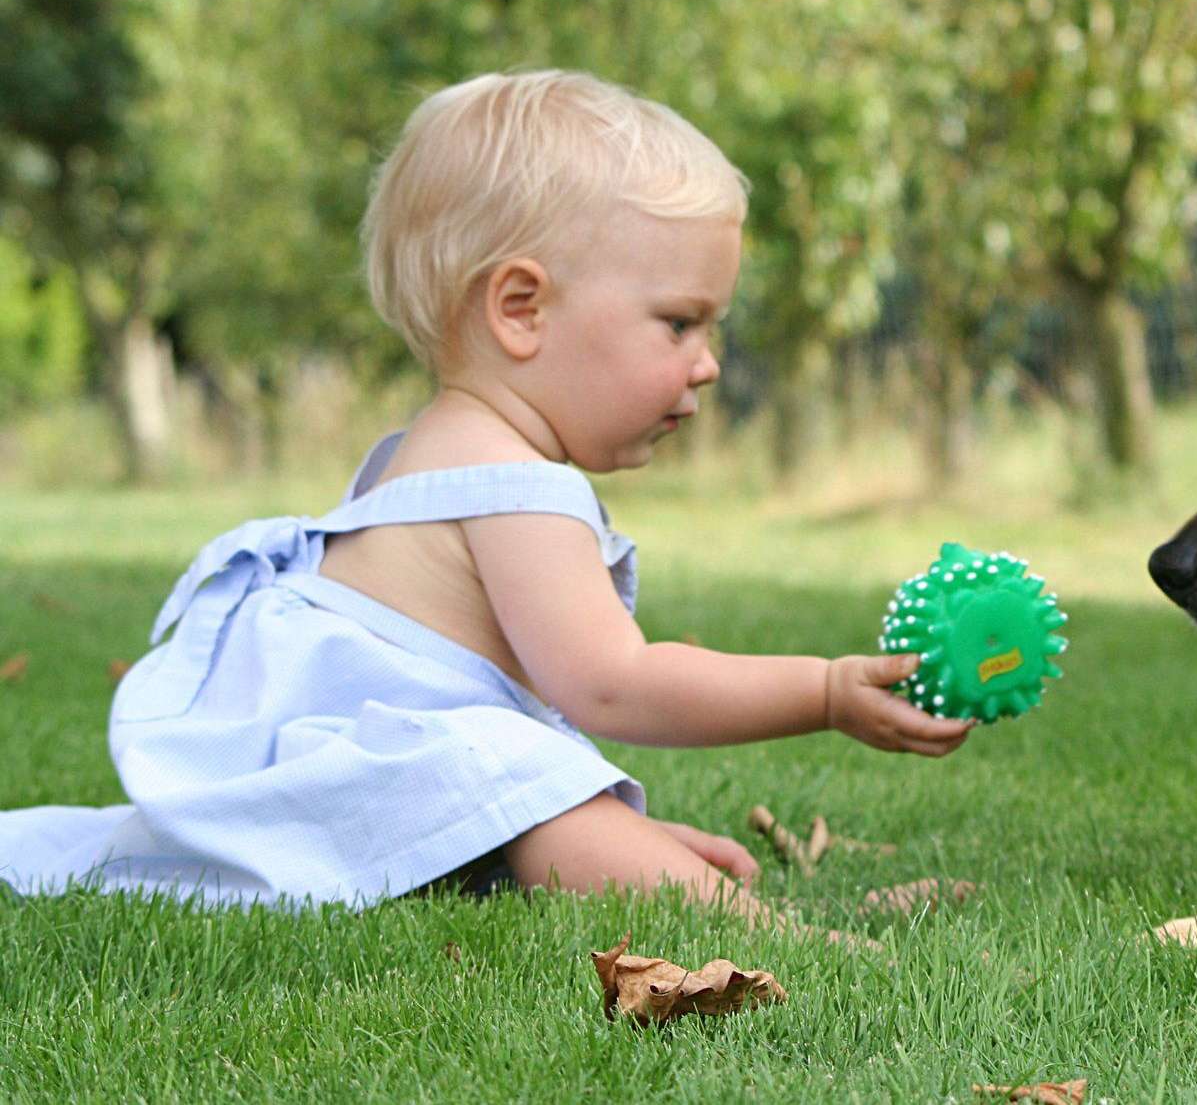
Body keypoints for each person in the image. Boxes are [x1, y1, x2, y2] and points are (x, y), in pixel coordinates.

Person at [0, 70, 972, 922]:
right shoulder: (519, 486)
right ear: (521, 309)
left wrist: (614, 832)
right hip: (350, 783)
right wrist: (824, 690)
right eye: (679, 323)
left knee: (539, 789)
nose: (708, 363)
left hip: (341, 787)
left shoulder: (426, 451)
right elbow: (612, 684)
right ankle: (790, 935)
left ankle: (664, 874)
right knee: (530, 783)